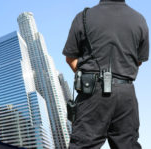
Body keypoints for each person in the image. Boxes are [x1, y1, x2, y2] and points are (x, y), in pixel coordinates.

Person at [62, 0, 149, 148]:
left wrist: (89, 78)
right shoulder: (139, 19)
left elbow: (70, 58)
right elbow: (139, 60)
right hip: (126, 94)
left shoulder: (83, 16)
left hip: (91, 93)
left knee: (83, 145)